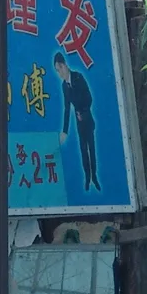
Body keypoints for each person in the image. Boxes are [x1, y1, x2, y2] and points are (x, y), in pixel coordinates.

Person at [52, 52, 99, 191]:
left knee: (92, 149)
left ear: (65, 65)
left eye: (60, 68)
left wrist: (82, 112)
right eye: (57, 70)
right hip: (78, 122)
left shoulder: (78, 77)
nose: (59, 72)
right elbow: (67, 108)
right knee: (83, 150)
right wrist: (65, 131)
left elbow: (89, 98)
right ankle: (87, 178)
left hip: (87, 118)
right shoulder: (64, 86)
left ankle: (94, 176)